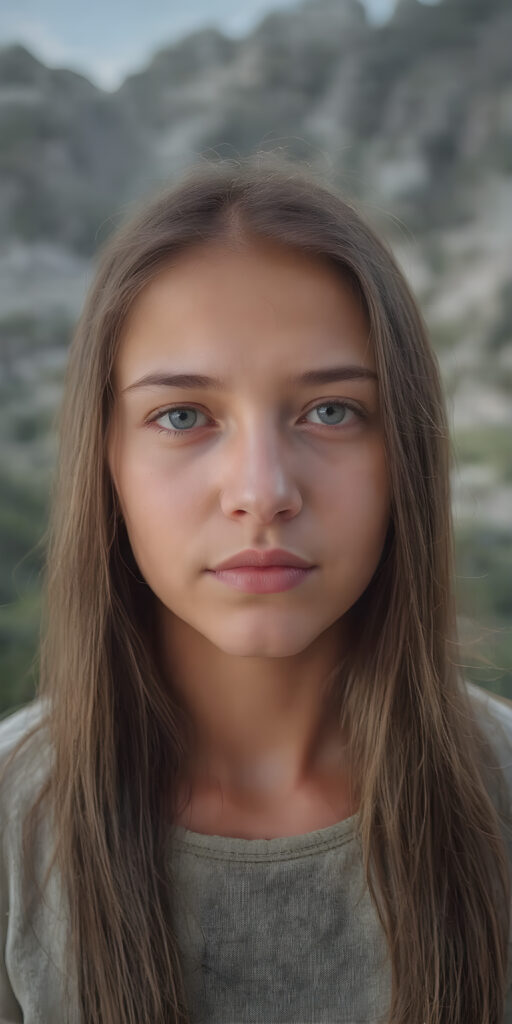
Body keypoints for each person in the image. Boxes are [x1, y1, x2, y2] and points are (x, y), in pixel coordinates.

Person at [1, 153, 511, 1024]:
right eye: (183, 416)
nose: (264, 489)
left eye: (333, 411)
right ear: (107, 462)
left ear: (409, 457)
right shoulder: (15, 829)